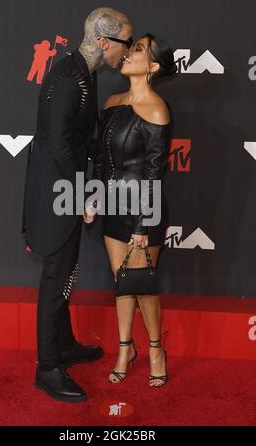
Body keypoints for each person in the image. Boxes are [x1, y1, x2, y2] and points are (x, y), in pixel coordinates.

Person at [21, 7, 133, 402]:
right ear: (105, 43)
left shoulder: (82, 72)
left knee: (65, 271)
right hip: (57, 195)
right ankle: (47, 367)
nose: (128, 51)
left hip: (61, 189)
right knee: (55, 278)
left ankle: (64, 346)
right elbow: (57, 148)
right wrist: (83, 194)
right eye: (125, 42)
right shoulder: (71, 79)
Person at [84, 33, 177, 388]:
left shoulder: (156, 108)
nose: (128, 54)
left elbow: (155, 175)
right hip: (112, 208)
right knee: (121, 285)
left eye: (137, 50)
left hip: (144, 213)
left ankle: (156, 349)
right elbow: (99, 158)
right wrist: (93, 196)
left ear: (152, 66)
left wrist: (142, 226)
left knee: (142, 287)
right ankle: (125, 348)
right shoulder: (111, 101)